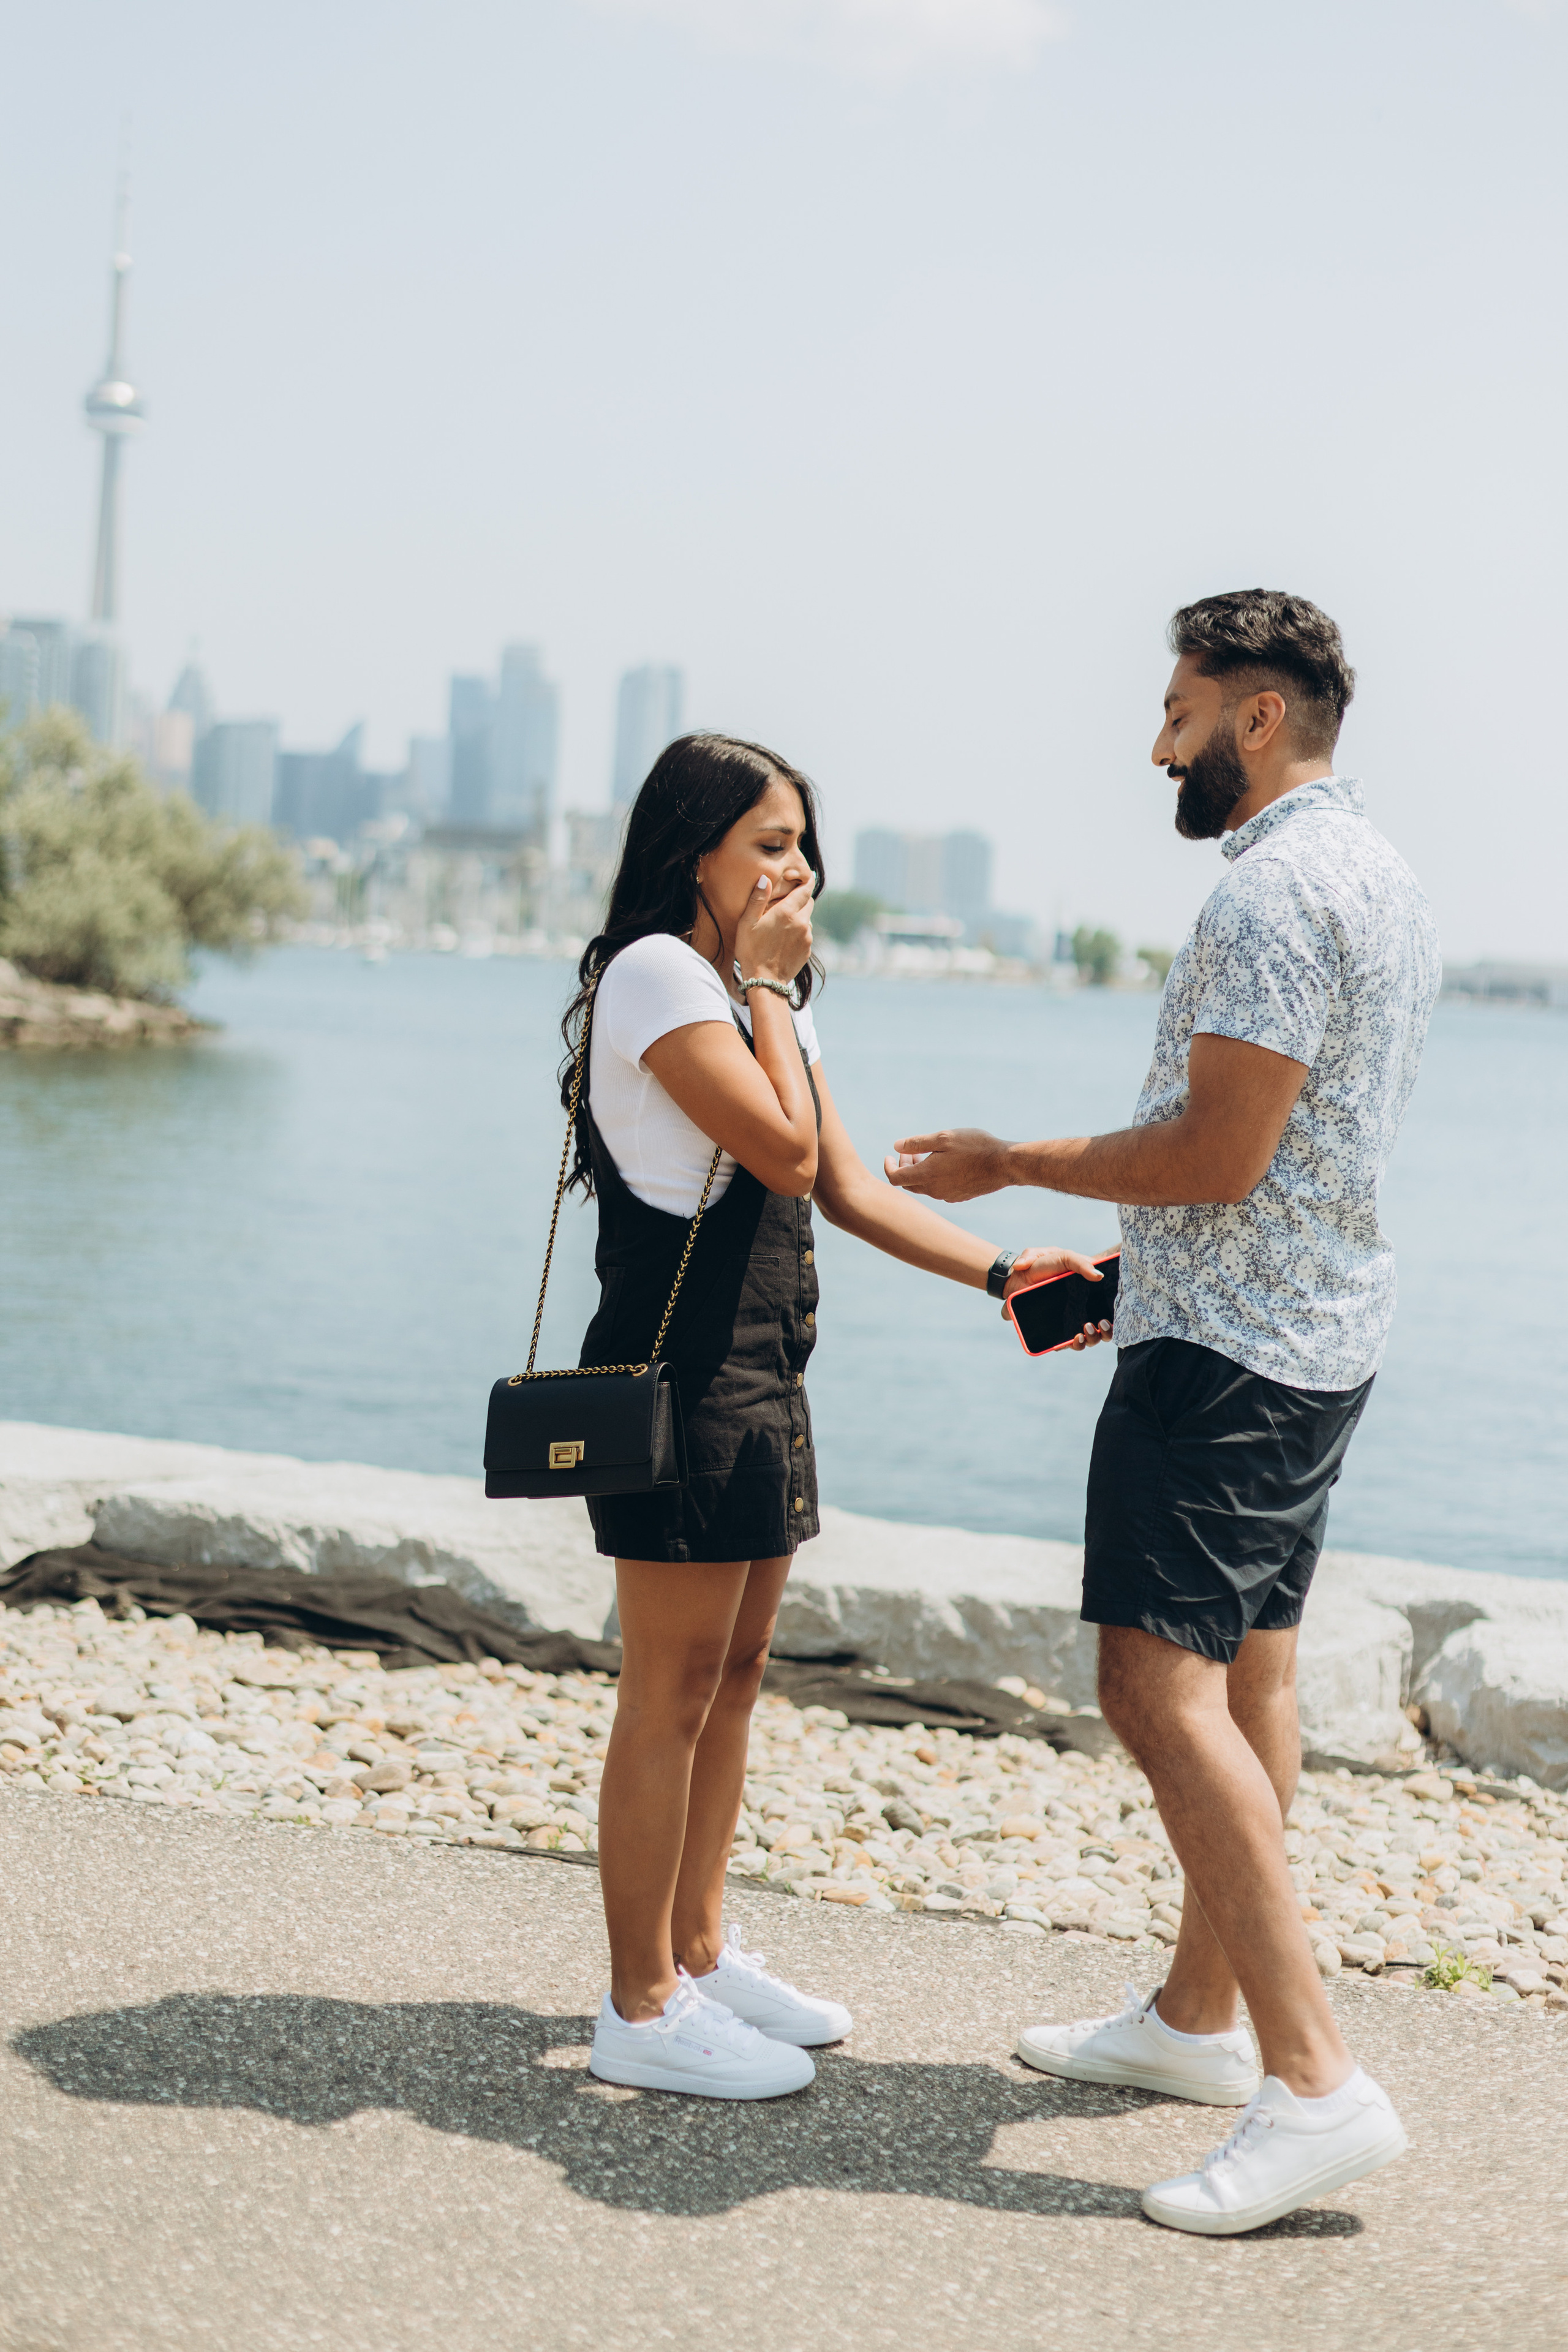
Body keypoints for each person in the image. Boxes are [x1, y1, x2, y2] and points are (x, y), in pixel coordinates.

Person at [888, 590, 1441, 2234]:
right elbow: (1301, 1162)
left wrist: (1010, 1163)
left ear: (1257, 716)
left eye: (1182, 708)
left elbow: (1217, 1156)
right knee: (1246, 1672)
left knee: (1150, 1686)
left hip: (1233, 1366)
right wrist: (1131, 1280)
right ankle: (1205, 2024)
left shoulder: (1273, 896)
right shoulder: (1388, 880)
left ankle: (1320, 2083)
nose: (1159, 741)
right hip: (1307, 1335)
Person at [568, 733, 1108, 2102]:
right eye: (767, 842)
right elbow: (783, 1154)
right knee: (668, 1689)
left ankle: (695, 1952)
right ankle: (636, 2004)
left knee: (735, 1681)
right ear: (691, 848)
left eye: (804, 842)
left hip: (763, 1370)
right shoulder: (658, 977)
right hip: (676, 1378)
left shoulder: (766, 996)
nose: (796, 867)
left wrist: (1004, 1274)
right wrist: (760, 984)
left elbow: (846, 1191)